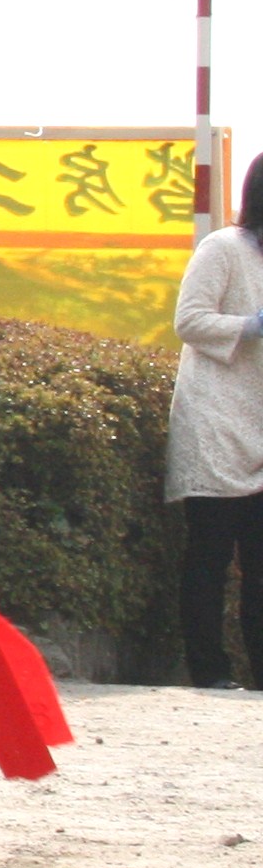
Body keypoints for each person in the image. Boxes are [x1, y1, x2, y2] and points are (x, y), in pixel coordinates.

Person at [171, 153, 263, 687]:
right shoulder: (222, 247)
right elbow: (189, 320)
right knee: (209, 556)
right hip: (215, 422)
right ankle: (208, 671)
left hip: (258, 423)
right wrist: (252, 325)